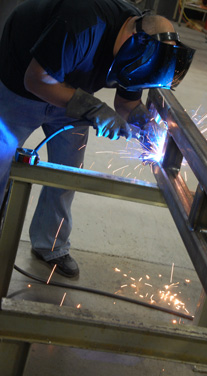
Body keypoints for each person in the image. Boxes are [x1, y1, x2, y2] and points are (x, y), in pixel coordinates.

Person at [0, 0, 195, 278]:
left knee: (68, 169)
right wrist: (92, 108)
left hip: (71, 91)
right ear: (131, 38)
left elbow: (126, 105)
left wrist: (149, 132)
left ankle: (50, 244)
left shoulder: (141, 51)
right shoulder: (82, 24)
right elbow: (36, 80)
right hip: (21, 84)